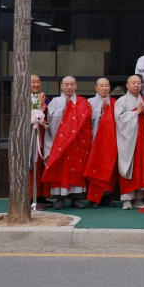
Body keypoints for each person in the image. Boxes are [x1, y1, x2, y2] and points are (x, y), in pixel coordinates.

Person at [42, 76, 92, 210]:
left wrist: (73, 109)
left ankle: (76, 198)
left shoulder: (83, 101)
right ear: (62, 87)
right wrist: (65, 109)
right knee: (60, 169)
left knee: (76, 169)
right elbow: (50, 118)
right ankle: (60, 198)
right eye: (66, 84)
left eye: (72, 84)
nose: (69, 87)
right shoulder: (55, 101)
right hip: (60, 141)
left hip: (77, 142)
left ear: (76, 86)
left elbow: (86, 117)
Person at [114, 75, 144, 210]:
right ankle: (127, 199)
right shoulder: (121, 101)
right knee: (128, 167)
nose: (136, 85)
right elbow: (119, 119)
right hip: (128, 139)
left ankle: (138, 198)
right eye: (133, 83)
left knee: (141, 168)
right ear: (127, 85)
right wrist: (135, 113)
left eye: (138, 83)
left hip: (142, 140)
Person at [84, 78, 117, 208]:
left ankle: (106, 196)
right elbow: (86, 120)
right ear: (96, 88)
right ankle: (93, 198)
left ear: (109, 88)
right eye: (101, 86)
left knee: (108, 168)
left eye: (106, 86)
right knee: (95, 166)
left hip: (110, 139)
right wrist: (100, 110)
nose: (104, 88)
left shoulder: (114, 102)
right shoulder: (89, 102)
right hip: (95, 139)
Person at [29, 74, 51, 208]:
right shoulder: (22, 98)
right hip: (30, 136)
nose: (36, 84)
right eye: (33, 82)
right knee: (31, 165)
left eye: (38, 81)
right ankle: (31, 197)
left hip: (42, 136)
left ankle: (40, 195)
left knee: (40, 165)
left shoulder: (44, 98)